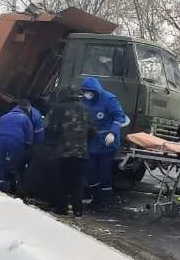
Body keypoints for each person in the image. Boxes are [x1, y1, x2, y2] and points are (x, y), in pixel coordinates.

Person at [80, 76, 128, 210]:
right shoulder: (84, 101)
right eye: (85, 91)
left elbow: (120, 116)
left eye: (89, 91)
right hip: (92, 141)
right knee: (91, 171)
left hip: (107, 142)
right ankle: (96, 199)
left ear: (95, 91)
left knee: (103, 172)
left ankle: (105, 201)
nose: (87, 94)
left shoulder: (109, 99)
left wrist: (113, 132)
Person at [43, 86, 92, 216]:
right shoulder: (86, 109)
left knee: (62, 180)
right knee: (77, 181)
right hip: (81, 152)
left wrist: (50, 144)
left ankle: (61, 208)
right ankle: (78, 209)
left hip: (63, 151)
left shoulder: (59, 108)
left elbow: (51, 128)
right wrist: (84, 143)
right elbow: (93, 130)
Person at [0, 100, 34, 193]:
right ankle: (17, 187)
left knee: (0, 163)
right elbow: (29, 136)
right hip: (15, 140)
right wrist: (28, 146)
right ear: (27, 109)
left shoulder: (4, 116)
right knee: (17, 164)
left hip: (0, 139)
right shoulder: (26, 119)